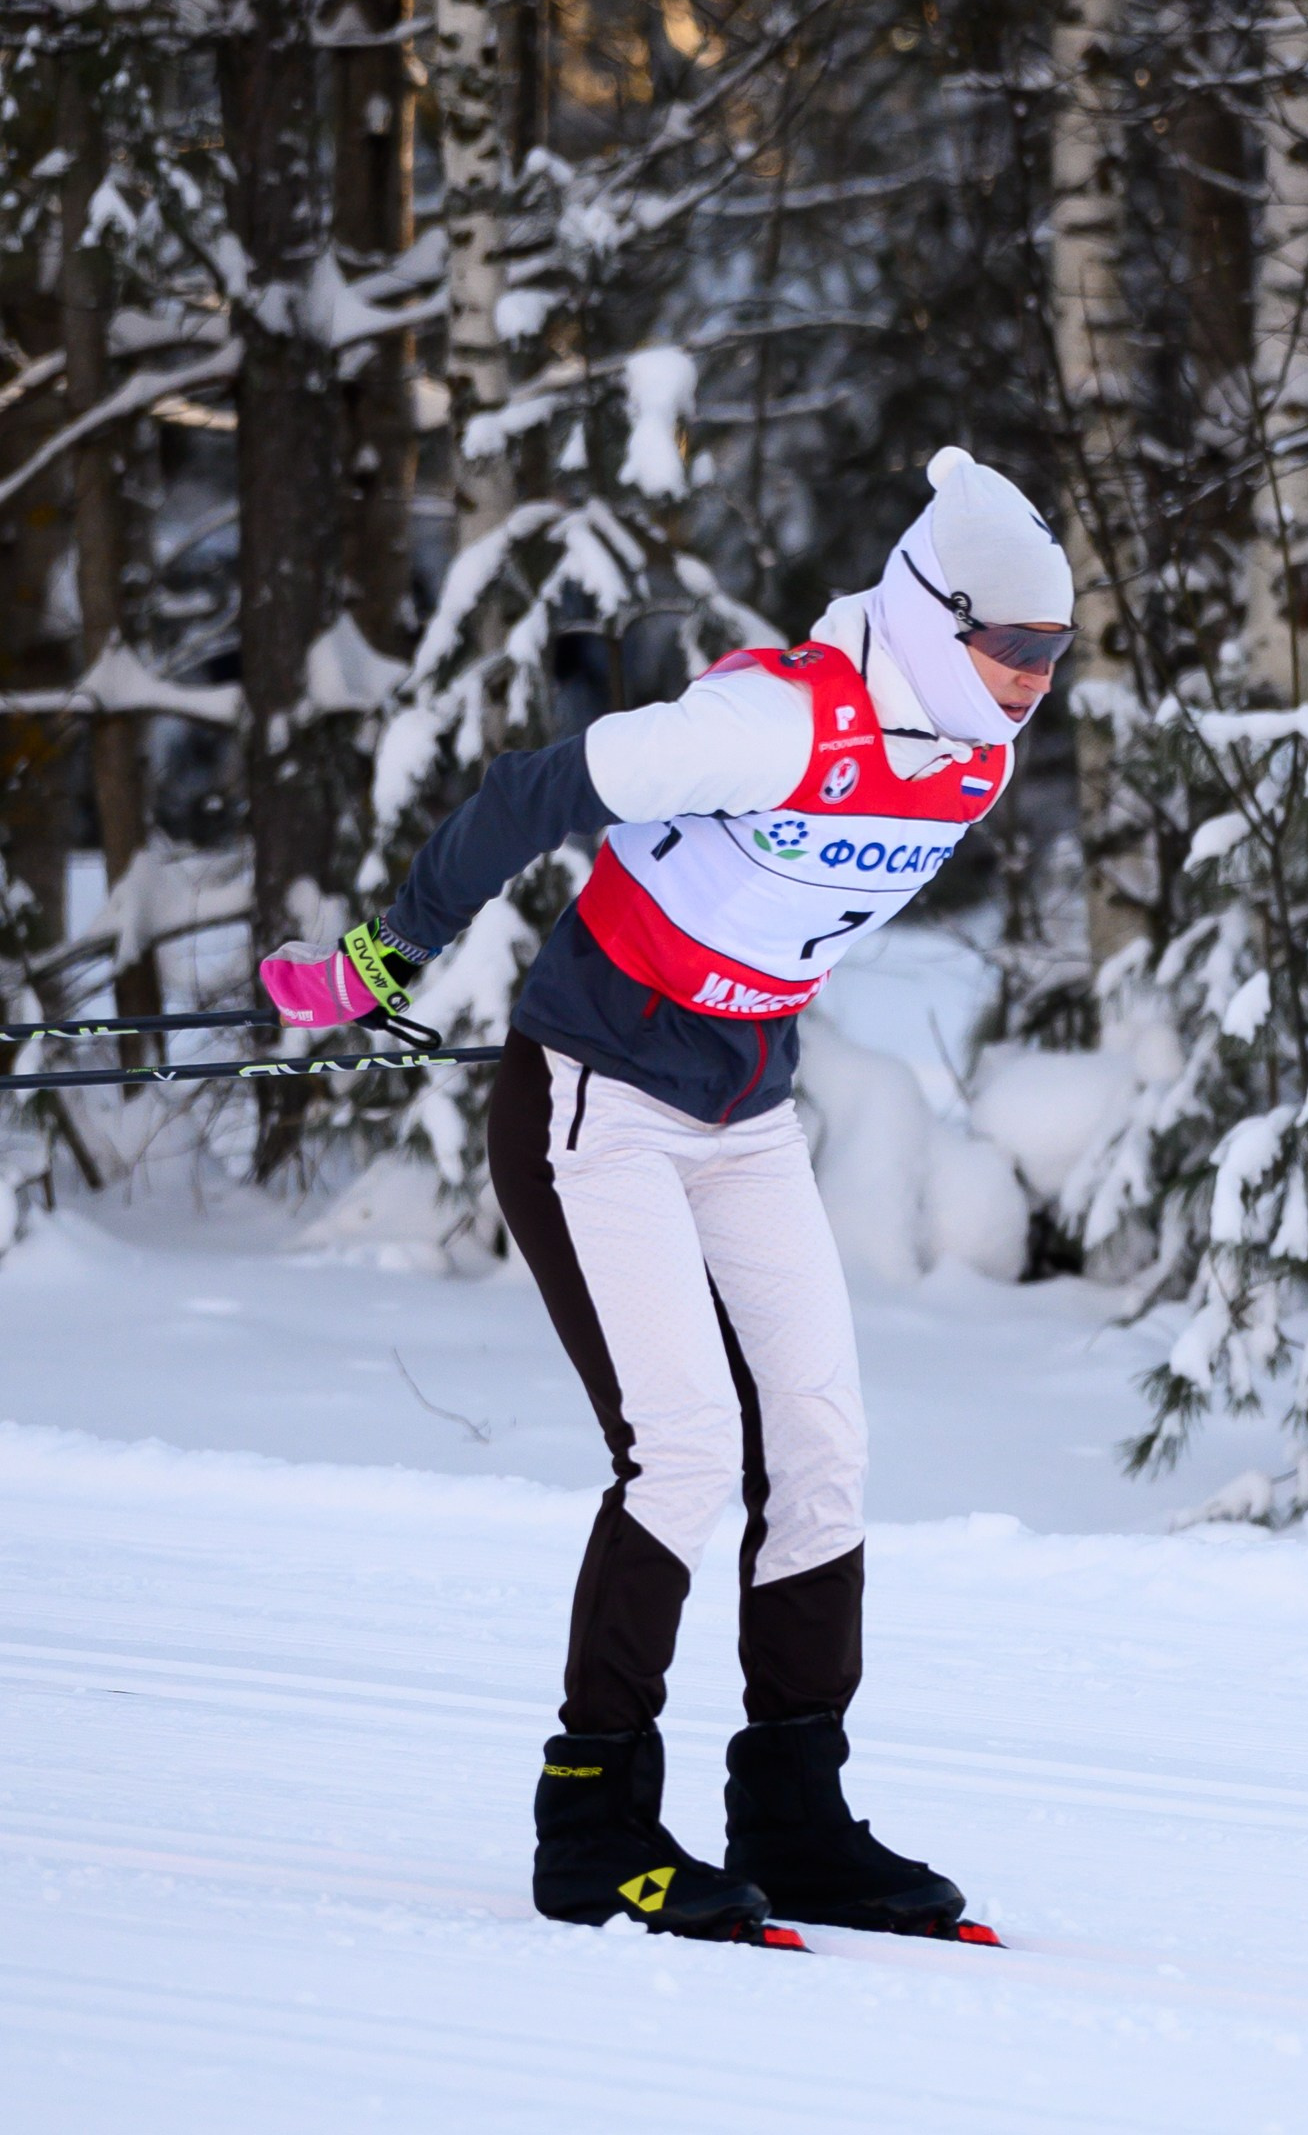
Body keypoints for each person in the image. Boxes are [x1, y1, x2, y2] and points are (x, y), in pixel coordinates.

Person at [260, 447, 1074, 1942]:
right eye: (1009, 644)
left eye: (1051, 652)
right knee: (685, 1448)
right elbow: (540, 791)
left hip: (745, 1109)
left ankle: (795, 1815)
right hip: (596, 1098)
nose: (1030, 680)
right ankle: (593, 1827)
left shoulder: (978, 755)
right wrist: (387, 959)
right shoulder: (770, 724)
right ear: (926, 611)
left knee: (821, 1443)